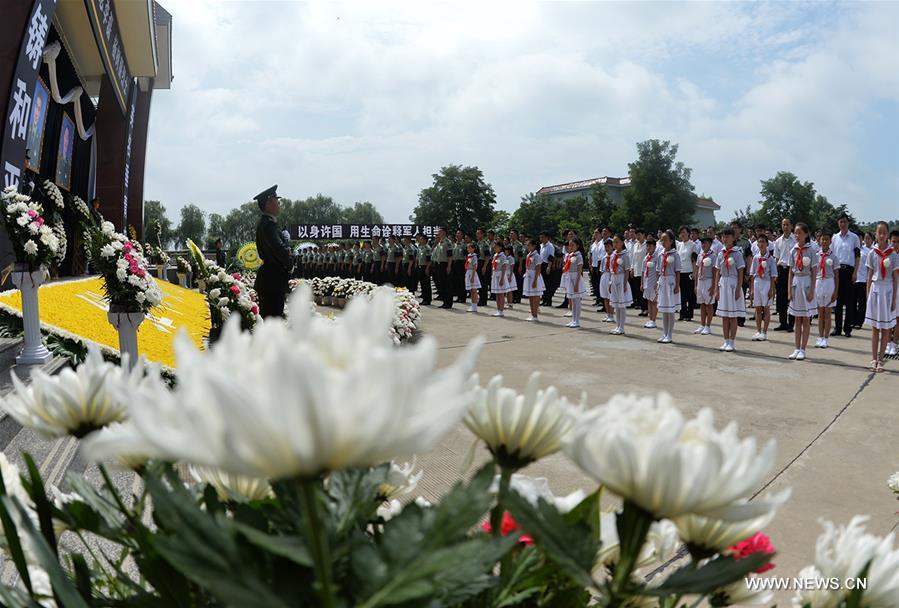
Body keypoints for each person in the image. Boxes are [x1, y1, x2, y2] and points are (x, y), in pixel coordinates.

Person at [253, 185, 292, 318]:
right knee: (274, 321)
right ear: (268, 203)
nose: (279, 204)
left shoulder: (265, 223)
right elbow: (280, 250)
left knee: (270, 320)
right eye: (276, 201)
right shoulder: (269, 225)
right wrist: (289, 262)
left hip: (270, 279)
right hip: (273, 280)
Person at [864, 222, 898, 372]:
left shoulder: (893, 254)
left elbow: (895, 278)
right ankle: (873, 358)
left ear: (888, 235)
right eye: (879, 232)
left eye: (884, 232)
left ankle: (881, 359)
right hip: (875, 289)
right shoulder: (872, 253)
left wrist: (894, 299)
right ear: (875, 234)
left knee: (885, 328)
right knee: (875, 328)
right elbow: (869, 275)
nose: (882, 235)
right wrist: (868, 295)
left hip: (888, 291)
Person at [713, 228, 746, 353]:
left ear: (733, 238)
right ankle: (725, 340)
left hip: (733, 283)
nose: (725, 239)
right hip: (723, 283)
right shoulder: (721, 253)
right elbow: (717, 272)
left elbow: (741, 271)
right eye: (723, 236)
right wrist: (716, 289)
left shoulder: (737, 253)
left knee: (732, 315)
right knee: (724, 316)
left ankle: (732, 341)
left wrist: (738, 288)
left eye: (728, 236)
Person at [787, 223, 816, 360]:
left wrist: (812, 290)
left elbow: (814, 271)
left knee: (805, 318)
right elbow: (790, 272)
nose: (797, 235)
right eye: (796, 233)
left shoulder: (811, 250)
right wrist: (789, 290)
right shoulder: (793, 250)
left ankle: (803, 349)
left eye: (800, 233)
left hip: (806, 282)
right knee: (797, 318)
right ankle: (796, 348)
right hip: (796, 283)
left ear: (806, 234)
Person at [831, 213, 861, 338]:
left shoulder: (854, 238)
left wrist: (855, 272)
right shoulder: (834, 238)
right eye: (841, 222)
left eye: (845, 221)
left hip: (849, 271)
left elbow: (857, 256)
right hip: (837, 271)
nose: (843, 224)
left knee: (849, 302)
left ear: (848, 223)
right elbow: (832, 256)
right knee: (837, 301)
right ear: (838, 223)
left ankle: (847, 328)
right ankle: (837, 328)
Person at [749, 233, 776, 341]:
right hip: (757, 282)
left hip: (766, 283)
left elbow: (773, 276)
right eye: (759, 242)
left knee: (766, 308)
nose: (761, 244)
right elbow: (752, 274)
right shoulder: (756, 258)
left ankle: (764, 332)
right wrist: (752, 289)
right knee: (758, 308)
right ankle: (758, 331)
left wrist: (771, 289)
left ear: (767, 244)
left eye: (763, 242)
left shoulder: (770, 258)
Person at [814, 231, 839, 349]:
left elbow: (836, 275)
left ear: (830, 241)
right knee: (820, 312)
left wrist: (836, 291)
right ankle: (820, 337)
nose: (824, 241)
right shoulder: (816, 255)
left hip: (829, 282)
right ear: (819, 240)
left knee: (828, 312)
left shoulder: (833, 256)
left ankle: (826, 338)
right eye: (822, 239)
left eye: (826, 239)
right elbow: (813, 272)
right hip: (819, 282)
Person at [656, 230, 681, 343]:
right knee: (664, 310)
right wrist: (657, 283)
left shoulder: (675, 254)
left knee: (670, 310)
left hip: (671, 282)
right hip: (662, 281)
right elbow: (658, 270)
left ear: (671, 241)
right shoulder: (660, 254)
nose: (663, 242)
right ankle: (664, 333)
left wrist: (677, 285)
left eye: (665, 240)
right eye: (662, 240)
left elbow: (677, 271)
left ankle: (669, 335)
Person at [773, 218, 797, 332]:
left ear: (791, 226)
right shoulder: (778, 241)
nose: (785, 227)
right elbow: (776, 258)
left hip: (792, 270)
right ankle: (782, 322)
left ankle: (791, 324)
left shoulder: (795, 239)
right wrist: (775, 274)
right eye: (783, 225)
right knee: (781, 297)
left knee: (792, 296)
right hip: (781, 270)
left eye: (787, 224)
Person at [608, 235, 632, 335]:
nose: (615, 244)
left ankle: (621, 327)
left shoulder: (625, 255)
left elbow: (627, 270)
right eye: (614, 242)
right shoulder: (613, 255)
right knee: (616, 304)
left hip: (621, 279)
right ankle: (617, 326)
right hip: (614, 279)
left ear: (622, 242)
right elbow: (611, 270)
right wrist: (610, 282)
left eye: (617, 242)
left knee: (621, 305)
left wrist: (625, 283)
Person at [562, 238, 586, 328]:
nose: (570, 247)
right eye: (569, 245)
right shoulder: (569, 255)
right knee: (572, 300)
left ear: (577, 246)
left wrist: (576, 283)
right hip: (570, 277)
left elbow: (579, 271)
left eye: (573, 245)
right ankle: (573, 319)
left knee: (577, 300)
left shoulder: (579, 256)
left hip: (576, 278)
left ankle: (577, 320)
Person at [694, 236, 716, 335]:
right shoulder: (700, 255)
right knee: (702, 304)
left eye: (705, 243)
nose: (703, 245)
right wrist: (696, 284)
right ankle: (702, 325)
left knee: (709, 304)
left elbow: (715, 271)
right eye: (702, 243)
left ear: (710, 244)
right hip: (700, 281)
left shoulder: (713, 256)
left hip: (709, 280)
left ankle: (708, 326)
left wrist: (713, 286)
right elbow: (697, 269)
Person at [676, 226, 696, 322]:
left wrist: (694, 272)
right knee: (682, 294)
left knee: (689, 294)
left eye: (684, 232)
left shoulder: (692, 244)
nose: (682, 234)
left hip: (689, 271)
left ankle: (689, 314)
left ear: (688, 233)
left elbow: (694, 260)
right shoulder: (679, 245)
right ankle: (682, 313)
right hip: (681, 271)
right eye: (681, 233)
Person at [523, 239, 545, 322]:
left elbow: (538, 268)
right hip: (528, 275)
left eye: (529, 245)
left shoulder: (536, 256)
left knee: (535, 296)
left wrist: (535, 280)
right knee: (530, 296)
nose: (527, 247)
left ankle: (535, 315)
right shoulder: (528, 255)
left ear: (534, 246)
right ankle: (532, 314)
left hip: (534, 276)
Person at [854, 232, 872, 329]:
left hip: (863, 279)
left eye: (860, 238)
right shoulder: (852, 250)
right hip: (853, 279)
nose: (858, 240)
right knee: (852, 302)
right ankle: (852, 320)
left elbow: (869, 268)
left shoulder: (868, 251)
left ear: (862, 239)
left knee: (862, 303)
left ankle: (859, 322)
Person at [431, 229, 452, 308]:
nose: (438, 233)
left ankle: (448, 303)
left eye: (439, 232)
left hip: (445, 264)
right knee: (442, 284)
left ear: (443, 233)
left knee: (447, 284)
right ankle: (444, 302)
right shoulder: (440, 243)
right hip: (439, 264)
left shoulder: (447, 242)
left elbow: (450, 255)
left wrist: (449, 266)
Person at [641, 238, 659, 329]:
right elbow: (643, 271)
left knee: (654, 301)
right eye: (647, 246)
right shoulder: (646, 257)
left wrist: (657, 282)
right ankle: (650, 319)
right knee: (649, 300)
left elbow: (658, 271)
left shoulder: (657, 257)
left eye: (650, 246)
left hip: (653, 282)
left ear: (655, 247)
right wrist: (642, 283)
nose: (648, 248)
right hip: (647, 282)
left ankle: (654, 320)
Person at [630, 229, 647, 315]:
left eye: (639, 234)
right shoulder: (635, 245)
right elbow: (633, 258)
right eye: (637, 235)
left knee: (643, 290)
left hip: (644, 271)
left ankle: (646, 308)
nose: (638, 236)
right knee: (638, 290)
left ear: (643, 235)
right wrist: (632, 268)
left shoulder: (646, 245)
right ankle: (642, 308)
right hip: (636, 270)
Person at [598, 238, 615, 322]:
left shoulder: (614, 256)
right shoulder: (604, 257)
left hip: (611, 275)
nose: (607, 248)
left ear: (612, 247)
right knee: (605, 296)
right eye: (605, 247)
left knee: (611, 297)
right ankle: (608, 314)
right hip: (604, 276)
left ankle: (611, 315)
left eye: (608, 246)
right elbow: (601, 269)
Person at [490, 241, 507, 317]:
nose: (495, 248)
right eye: (494, 247)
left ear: (500, 247)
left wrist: (502, 278)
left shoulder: (503, 256)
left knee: (501, 293)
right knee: (497, 293)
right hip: (495, 274)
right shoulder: (495, 255)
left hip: (500, 274)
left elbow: (504, 267)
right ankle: (498, 310)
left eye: (496, 247)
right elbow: (493, 265)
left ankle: (501, 310)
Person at [414, 234, 432, 305]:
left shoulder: (427, 248)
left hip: (425, 267)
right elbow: (418, 258)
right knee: (422, 284)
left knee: (426, 284)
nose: (419, 240)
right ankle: (424, 298)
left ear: (425, 240)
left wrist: (427, 268)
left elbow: (429, 260)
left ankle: (428, 299)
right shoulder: (420, 248)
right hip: (420, 267)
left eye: (421, 239)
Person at [539, 232, 555, 306]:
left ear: (547, 237)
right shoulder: (541, 245)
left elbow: (551, 257)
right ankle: (544, 299)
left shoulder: (550, 246)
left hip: (547, 265)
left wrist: (549, 267)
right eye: (540, 237)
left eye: (543, 237)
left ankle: (548, 301)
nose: (541, 239)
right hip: (541, 265)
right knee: (542, 283)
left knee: (547, 284)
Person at [464, 242, 481, 313]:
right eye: (467, 248)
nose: (468, 249)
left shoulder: (474, 256)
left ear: (473, 249)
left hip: (472, 273)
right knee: (471, 290)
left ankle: (475, 306)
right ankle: (472, 305)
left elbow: (474, 266)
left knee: (474, 290)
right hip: (468, 272)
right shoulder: (469, 256)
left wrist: (473, 276)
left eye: (469, 247)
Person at [510, 230, 525, 304]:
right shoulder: (510, 244)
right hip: (511, 264)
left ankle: (518, 298)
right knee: (512, 280)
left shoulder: (519, 244)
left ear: (516, 235)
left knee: (518, 281)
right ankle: (512, 297)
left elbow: (521, 256)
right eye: (510, 234)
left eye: (512, 233)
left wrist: (520, 266)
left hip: (517, 263)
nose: (510, 235)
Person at [452, 230, 467, 303]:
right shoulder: (455, 244)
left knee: (462, 281)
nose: (457, 235)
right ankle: (458, 296)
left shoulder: (464, 244)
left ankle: (463, 297)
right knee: (456, 281)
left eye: (459, 233)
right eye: (457, 233)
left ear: (462, 235)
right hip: (455, 262)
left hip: (462, 263)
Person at [503, 245, 518, 309]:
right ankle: (507, 303)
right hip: (505, 274)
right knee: (506, 290)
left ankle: (510, 303)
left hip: (509, 274)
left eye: (506, 250)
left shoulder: (511, 258)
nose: (505, 252)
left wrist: (510, 277)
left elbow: (512, 268)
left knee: (510, 290)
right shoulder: (505, 257)